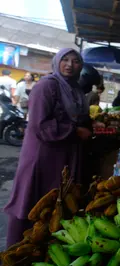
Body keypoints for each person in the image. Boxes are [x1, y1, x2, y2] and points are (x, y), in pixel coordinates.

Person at [4, 48, 93, 247]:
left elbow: (78, 116)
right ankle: (18, 251)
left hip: (64, 155)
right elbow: (40, 124)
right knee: (35, 200)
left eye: (76, 61)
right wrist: (75, 131)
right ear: (57, 62)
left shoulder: (75, 88)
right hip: (43, 156)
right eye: (65, 60)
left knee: (56, 203)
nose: (70, 65)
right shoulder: (46, 87)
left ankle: (43, 249)